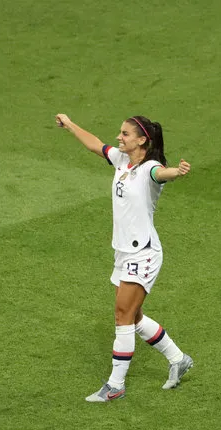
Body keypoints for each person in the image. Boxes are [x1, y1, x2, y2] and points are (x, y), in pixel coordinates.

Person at [55, 112, 193, 402]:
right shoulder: (121, 159)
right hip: (124, 251)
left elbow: (160, 173)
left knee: (122, 315)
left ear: (142, 140)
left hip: (143, 253)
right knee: (135, 315)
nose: (120, 137)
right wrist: (69, 125)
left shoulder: (150, 168)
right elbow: (95, 145)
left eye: (126, 134)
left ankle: (115, 385)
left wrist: (176, 172)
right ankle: (178, 359)